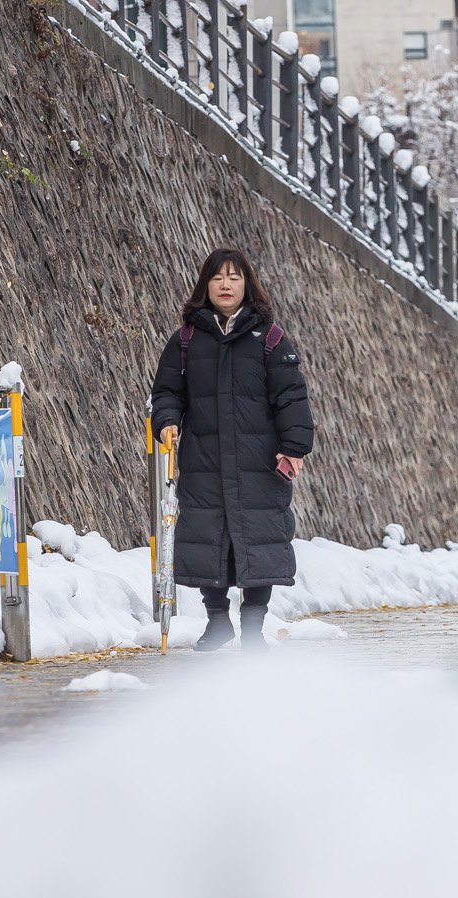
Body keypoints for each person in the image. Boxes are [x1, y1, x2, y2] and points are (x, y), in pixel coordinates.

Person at [149, 249, 314, 652]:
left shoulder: (270, 339)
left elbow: (292, 396)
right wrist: (167, 421)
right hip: (203, 461)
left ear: (247, 285)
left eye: (234, 278)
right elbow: (167, 392)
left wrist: (293, 447)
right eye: (218, 278)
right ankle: (218, 621)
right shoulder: (186, 340)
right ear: (205, 285)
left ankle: (253, 629)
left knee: (259, 542)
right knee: (208, 541)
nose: (226, 285)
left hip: (259, 464)